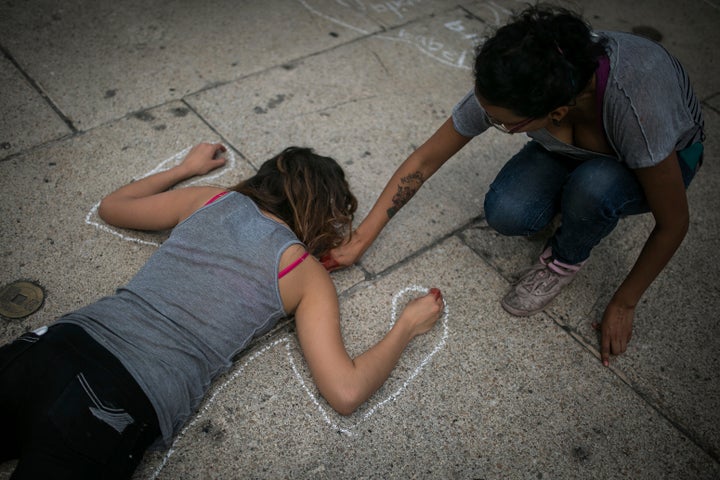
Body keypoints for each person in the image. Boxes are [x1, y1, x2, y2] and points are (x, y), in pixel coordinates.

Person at [0, 142, 444, 479]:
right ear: (322, 213)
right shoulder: (303, 272)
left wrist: (187, 169)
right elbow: (345, 392)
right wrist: (406, 325)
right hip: (125, 395)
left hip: (61, 342)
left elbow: (112, 207)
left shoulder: (210, 200)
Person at [323, 4, 704, 367]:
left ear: (555, 114)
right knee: (508, 210)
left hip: (657, 161)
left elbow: (673, 224)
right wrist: (362, 238)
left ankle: (565, 258)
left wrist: (625, 302)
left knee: (594, 187)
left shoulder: (636, 109)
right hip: (576, 149)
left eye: (502, 123)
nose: (490, 121)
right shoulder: (523, 77)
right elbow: (424, 160)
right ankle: (571, 198)